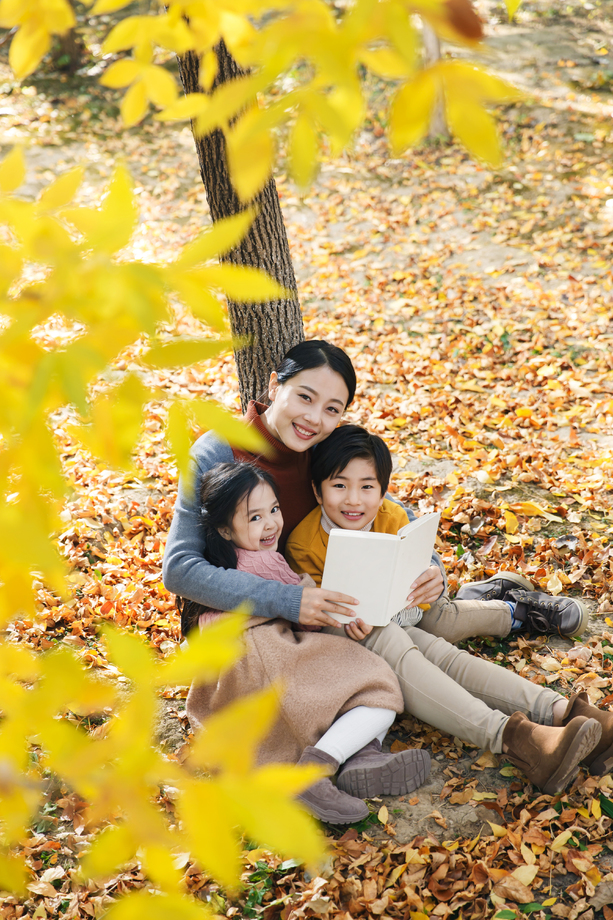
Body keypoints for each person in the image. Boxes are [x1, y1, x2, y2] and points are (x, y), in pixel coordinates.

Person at [162, 340, 611, 793]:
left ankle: (560, 715)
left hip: (329, 598)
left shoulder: (317, 445)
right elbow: (178, 569)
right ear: (275, 385)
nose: (314, 418)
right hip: (257, 623)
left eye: (332, 409)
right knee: (390, 635)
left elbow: (379, 500)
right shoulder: (219, 450)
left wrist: (431, 566)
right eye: (304, 396)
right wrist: (292, 599)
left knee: (421, 636)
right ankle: (519, 739)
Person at [284, 425, 613, 792]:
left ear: (381, 489)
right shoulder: (303, 543)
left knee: (441, 652)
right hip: (348, 638)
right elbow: (316, 613)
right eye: (339, 485)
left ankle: (560, 711)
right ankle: (519, 740)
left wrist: (429, 578)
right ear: (317, 490)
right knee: (401, 640)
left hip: (405, 619)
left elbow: (423, 579)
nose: (354, 500)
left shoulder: (392, 517)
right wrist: (342, 623)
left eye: (367, 487)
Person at [184, 461, 430, 824]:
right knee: (377, 686)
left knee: (350, 690)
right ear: (223, 529)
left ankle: (362, 758)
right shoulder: (262, 565)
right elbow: (306, 614)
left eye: (274, 509)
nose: (270, 524)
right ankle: (314, 772)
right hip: (266, 657)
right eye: (254, 518)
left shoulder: (221, 574)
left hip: (243, 669)